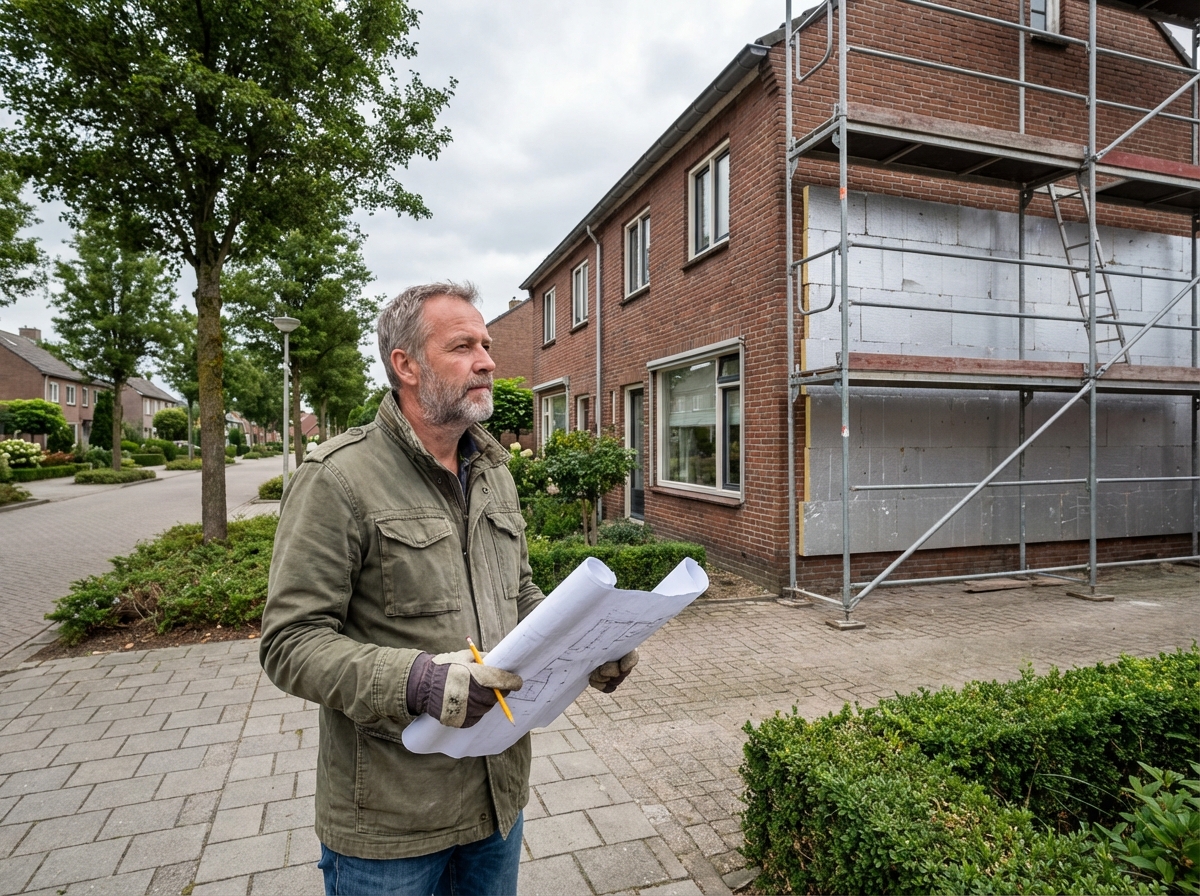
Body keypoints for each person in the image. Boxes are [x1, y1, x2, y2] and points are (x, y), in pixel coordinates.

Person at [259, 282, 637, 896]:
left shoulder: (493, 473)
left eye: (486, 345)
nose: (488, 360)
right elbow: (289, 643)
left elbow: (518, 595)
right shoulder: (337, 478)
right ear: (405, 365)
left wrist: (588, 643)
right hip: (391, 821)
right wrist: (417, 681)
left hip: (497, 802)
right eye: (463, 346)